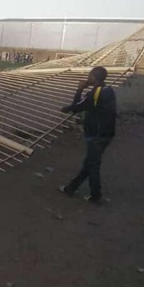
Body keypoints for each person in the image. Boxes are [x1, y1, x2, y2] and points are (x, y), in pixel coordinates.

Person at [59, 66, 116, 204]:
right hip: (107, 134)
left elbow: (78, 106)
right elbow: (88, 106)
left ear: (94, 77)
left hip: (96, 135)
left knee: (93, 165)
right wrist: (69, 108)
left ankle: (96, 196)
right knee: (90, 163)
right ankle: (71, 188)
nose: (87, 78)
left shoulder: (95, 93)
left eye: (89, 75)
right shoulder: (109, 90)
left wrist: (79, 89)